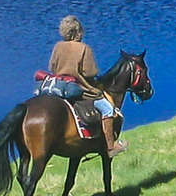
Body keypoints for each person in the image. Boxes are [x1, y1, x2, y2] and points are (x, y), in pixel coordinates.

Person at [45, 16, 125, 157]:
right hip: (81, 89)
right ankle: (111, 147)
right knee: (108, 109)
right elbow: (90, 72)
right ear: (78, 32)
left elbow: (51, 67)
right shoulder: (84, 48)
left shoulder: (58, 46)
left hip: (60, 87)